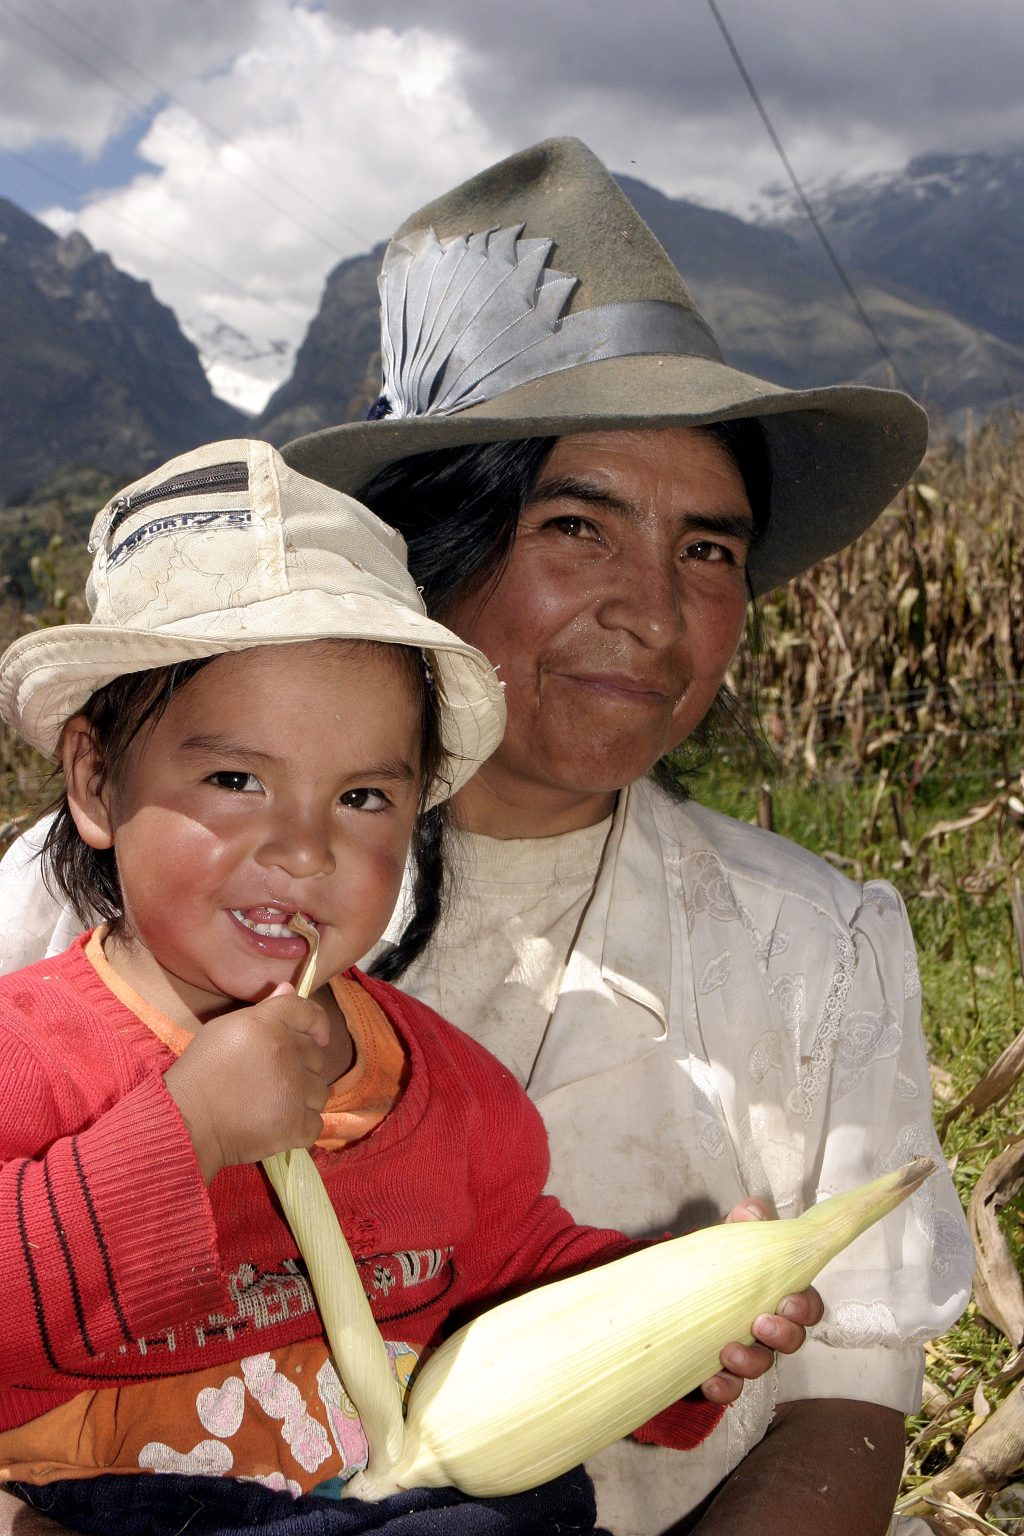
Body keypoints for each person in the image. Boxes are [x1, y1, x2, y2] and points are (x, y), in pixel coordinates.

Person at [0, 137, 972, 1535]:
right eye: (575, 525)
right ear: (434, 546)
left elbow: (834, 1399)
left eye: (709, 549)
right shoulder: (69, 908)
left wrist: (680, 1329)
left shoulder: (811, 949)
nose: (652, 612)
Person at [0, 438, 805, 1536]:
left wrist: (674, 1328)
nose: (303, 850)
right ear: (96, 783)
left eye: (363, 799)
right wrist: (187, 1133)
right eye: (235, 779)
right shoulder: (29, 1057)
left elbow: (517, 1283)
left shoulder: (447, 1091)